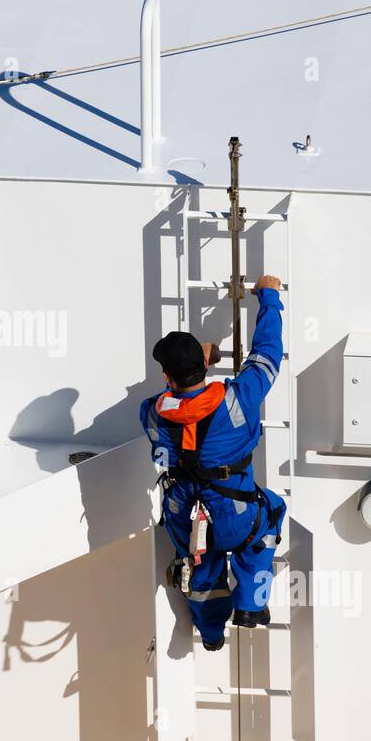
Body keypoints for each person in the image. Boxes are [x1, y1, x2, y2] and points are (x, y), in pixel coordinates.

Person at [140, 275, 287, 651]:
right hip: (236, 514)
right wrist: (268, 297)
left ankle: (209, 635)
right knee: (270, 512)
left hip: (185, 519)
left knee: (200, 569)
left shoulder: (153, 414)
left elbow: (176, 404)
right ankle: (252, 606)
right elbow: (267, 354)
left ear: (166, 376)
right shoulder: (239, 398)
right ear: (204, 366)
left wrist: (195, 364)